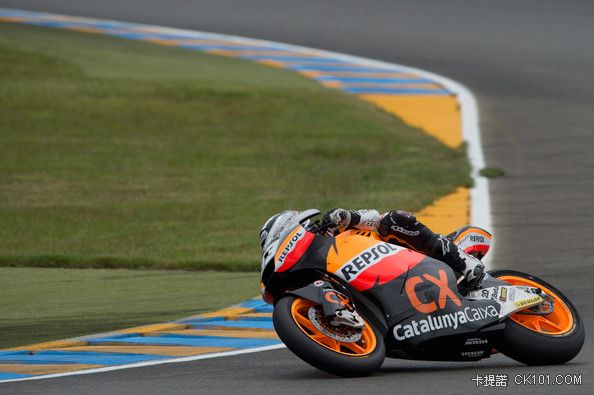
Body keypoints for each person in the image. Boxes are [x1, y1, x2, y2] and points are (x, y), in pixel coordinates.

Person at [313, 208, 489, 288]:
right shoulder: (322, 266)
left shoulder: (341, 228)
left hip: (411, 262)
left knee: (392, 219)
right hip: (393, 287)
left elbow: (373, 217)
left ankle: (465, 261)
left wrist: (346, 216)